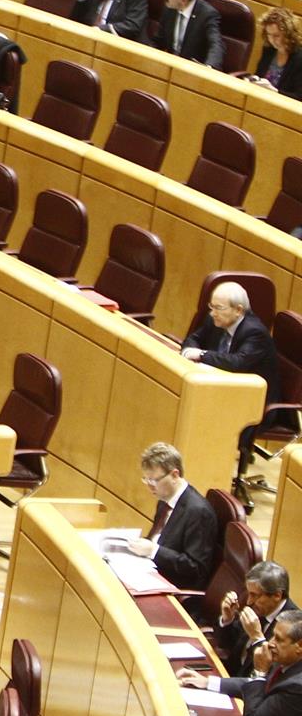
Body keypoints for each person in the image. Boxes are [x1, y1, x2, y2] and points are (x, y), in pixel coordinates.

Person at [181, 281, 279, 471]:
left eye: (219, 308)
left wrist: (201, 355)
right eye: (211, 306)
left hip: (254, 403)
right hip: (222, 389)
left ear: (238, 310)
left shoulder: (254, 332)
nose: (212, 313)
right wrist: (189, 350)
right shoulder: (216, 319)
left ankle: (205, 470)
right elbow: (194, 338)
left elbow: (236, 363)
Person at [125, 441, 219, 591]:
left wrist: (153, 551)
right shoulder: (164, 500)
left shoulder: (198, 512)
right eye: (146, 480)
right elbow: (158, 540)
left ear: (175, 475)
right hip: (152, 573)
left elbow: (195, 567)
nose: (150, 486)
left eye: (154, 480)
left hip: (176, 589)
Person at [214, 560, 299, 679]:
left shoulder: (292, 626)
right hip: (228, 675)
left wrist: (257, 637)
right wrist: (228, 619)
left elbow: (271, 676)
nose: (249, 601)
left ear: (277, 595)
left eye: (254, 595)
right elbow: (226, 645)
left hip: (249, 689)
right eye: (248, 594)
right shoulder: (259, 609)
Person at [152, 0, 224, 69]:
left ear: (183, 0)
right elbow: (158, 40)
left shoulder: (206, 15)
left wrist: (209, 67)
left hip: (191, 70)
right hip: (168, 66)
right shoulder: (169, 8)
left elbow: (216, 44)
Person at [243, 6, 302, 99]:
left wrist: (274, 91)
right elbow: (259, 75)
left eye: (276, 35)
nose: (272, 40)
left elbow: (299, 97)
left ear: (288, 33)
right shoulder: (269, 50)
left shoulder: (299, 59)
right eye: (269, 35)